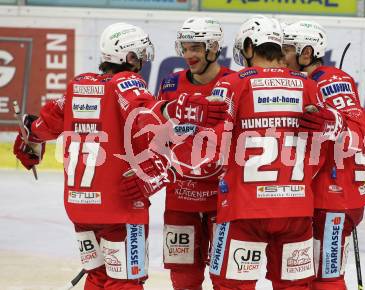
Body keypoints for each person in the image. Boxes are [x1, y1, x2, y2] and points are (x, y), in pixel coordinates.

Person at [12, 22, 227, 290]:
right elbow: (144, 114)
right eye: (139, 56)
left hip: (79, 206)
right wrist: (183, 108)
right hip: (119, 206)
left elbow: (41, 127)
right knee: (125, 282)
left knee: (97, 278)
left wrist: (28, 137)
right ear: (130, 57)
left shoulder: (78, 85)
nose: (142, 64)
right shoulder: (126, 82)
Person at [205, 15, 345, 290]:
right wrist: (332, 122)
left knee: (231, 286)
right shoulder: (308, 85)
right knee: (294, 287)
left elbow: (209, 146)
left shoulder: (233, 84)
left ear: (248, 47)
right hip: (296, 211)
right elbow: (334, 135)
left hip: (243, 211)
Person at [282, 21, 365, 290]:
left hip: (334, 197)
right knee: (306, 275)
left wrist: (335, 124)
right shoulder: (300, 82)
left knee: (326, 278)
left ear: (306, 54)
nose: (280, 56)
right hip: (318, 196)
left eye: (286, 50)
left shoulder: (331, 80)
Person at [156, 16, 234, 290]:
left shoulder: (235, 83)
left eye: (196, 48)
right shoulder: (170, 84)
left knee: (226, 277)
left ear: (213, 48)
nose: (189, 55)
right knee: (183, 277)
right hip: (180, 196)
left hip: (222, 198)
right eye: (185, 48)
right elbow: (156, 131)